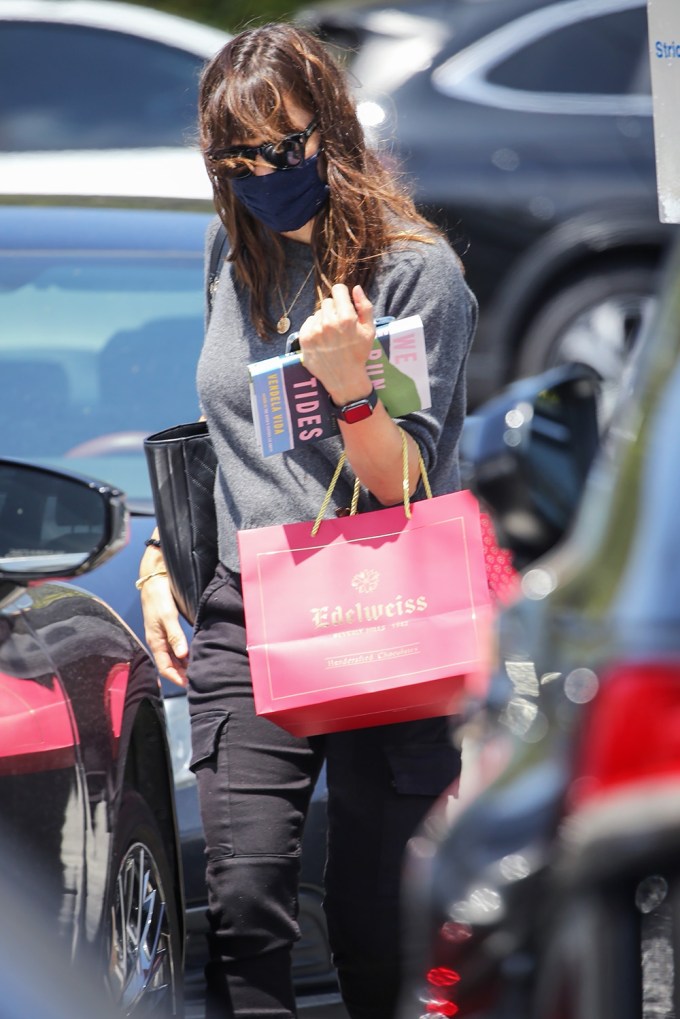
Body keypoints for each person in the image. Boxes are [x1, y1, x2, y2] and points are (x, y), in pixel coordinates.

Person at [137, 22, 478, 1019]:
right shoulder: (230, 251)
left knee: (380, 929)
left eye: (281, 149)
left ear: (330, 132)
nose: (261, 174)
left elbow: (400, 487)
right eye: (235, 158)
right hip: (251, 609)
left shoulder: (413, 276)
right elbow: (226, 432)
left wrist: (353, 389)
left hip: (387, 608)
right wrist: (164, 556)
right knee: (242, 907)